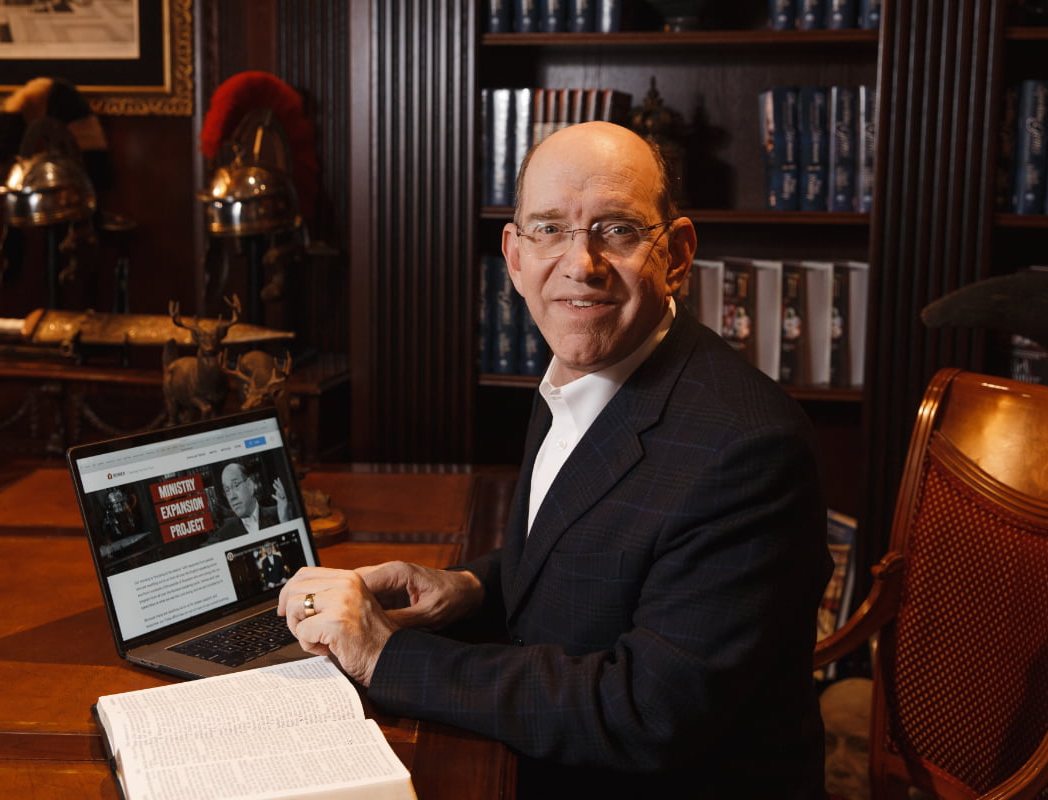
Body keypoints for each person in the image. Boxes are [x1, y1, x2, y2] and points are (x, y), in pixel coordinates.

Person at [278, 121, 832, 798]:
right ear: (515, 256)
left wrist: (386, 654)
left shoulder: (749, 449)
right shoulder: (581, 368)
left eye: (617, 230)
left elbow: (645, 713)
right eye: (549, 229)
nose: (580, 264)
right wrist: (469, 588)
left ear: (678, 255)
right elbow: (589, 553)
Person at [214, 461, 289, 539]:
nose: (232, 496)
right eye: (227, 490)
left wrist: (284, 521)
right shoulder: (225, 533)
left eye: (236, 485)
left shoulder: (280, 514)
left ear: (250, 485)